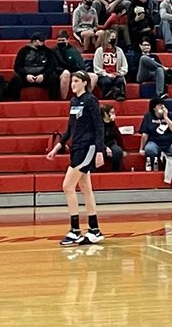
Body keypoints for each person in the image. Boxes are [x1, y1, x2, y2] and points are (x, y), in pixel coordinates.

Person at [47, 71, 106, 246]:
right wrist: (57, 147)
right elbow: (70, 128)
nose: (72, 84)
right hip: (76, 147)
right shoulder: (73, 102)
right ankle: (94, 230)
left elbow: (99, 126)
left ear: (84, 83)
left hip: (87, 148)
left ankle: (75, 230)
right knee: (85, 187)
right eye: (72, 81)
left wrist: (100, 150)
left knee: (67, 186)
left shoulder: (90, 100)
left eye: (76, 81)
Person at [141, 97, 172, 183]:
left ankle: (169, 162)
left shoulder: (170, 115)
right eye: (159, 105)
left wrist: (166, 117)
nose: (162, 106)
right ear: (154, 108)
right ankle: (155, 164)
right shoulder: (148, 116)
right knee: (149, 149)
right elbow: (144, 134)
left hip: (170, 142)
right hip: (155, 142)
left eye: (163, 104)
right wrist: (141, 148)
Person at [9, 34, 60, 100]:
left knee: (54, 78)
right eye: (41, 41)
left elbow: (51, 66)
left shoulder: (48, 51)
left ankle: (53, 101)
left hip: (42, 77)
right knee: (15, 79)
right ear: (34, 41)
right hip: (26, 77)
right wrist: (26, 75)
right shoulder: (23, 51)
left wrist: (43, 75)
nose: (43, 43)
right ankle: (15, 101)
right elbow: (17, 66)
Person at [92, 31, 128, 101]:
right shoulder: (99, 51)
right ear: (106, 38)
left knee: (120, 81)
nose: (113, 39)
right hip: (103, 75)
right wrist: (106, 74)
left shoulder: (119, 51)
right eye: (112, 37)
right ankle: (105, 97)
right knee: (107, 82)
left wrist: (118, 73)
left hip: (116, 74)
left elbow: (124, 66)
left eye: (114, 37)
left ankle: (120, 95)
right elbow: (96, 67)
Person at [100, 104, 125, 171]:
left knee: (118, 151)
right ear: (105, 113)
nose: (114, 114)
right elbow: (98, 138)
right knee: (101, 153)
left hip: (111, 143)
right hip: (100, 145)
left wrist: (123, 149)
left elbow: (118, 136)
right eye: (112, 112)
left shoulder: (112, 123)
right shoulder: (99, 124)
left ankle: (115, 171)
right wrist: (105, 147)